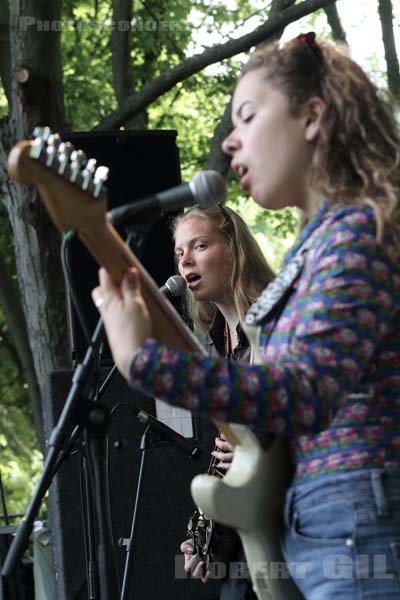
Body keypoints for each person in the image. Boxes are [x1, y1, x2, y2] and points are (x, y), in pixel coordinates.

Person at [92, 32, 400, 599]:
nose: (231, 142)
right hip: (327, 525)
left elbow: (304, 393)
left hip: (358, 528)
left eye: (248, 116)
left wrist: (147, 361)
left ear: (312, 116)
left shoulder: (356, 234)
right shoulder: (321, 243)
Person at [172, 203, 274, 598]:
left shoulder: (275, 324)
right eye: (180, 253)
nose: (185, 262)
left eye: (199, 246)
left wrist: (257, 450)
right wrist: (209, 537)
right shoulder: (215, 347)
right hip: (245, 545)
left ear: (234, 248)